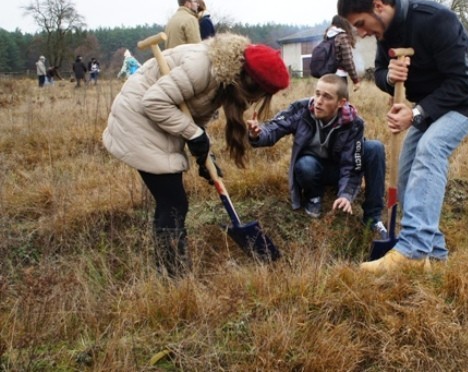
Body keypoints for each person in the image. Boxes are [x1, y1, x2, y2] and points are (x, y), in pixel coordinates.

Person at [337, 0, 468, 273]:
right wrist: (389, 77)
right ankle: (434, 257)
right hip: (429, 105)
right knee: (408, 169)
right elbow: (381, 72)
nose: (361, 33)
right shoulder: (387, 33)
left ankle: (412, 250)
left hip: (467, 100)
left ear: (378, 6)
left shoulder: (437, 20)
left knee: (431, 149)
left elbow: (463, 82)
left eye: (359, 24)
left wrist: (416, 113)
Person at [103, 33, 289, 277]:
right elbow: (154, 102)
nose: (255, 100)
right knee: (173, 201)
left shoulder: (226, 74)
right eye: (258, 93)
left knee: (172, 201)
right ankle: (172, 275)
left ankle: (171, 269)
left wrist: (204, 154)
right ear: (248, 80)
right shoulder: (204, 67)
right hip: (138, 120)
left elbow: (192, 112)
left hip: (157, 123)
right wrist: (193, 135)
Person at [246, 74, 388, 238]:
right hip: (312, 169)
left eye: (327, 97)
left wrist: (345, 195)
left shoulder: (354, 123)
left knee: (374, 148)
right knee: (305, 164)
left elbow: (351, 164)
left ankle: (373, 217)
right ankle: (314, 196)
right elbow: (275, 127)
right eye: (317, 93)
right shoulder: (302, 109)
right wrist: (257, 134)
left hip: (339, 169)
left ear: (341, 103)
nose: (318, 101)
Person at [326, 15, 361, 89]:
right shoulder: (342, 36)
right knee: (342, 100)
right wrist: (355, 80)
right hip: (339, 76)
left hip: (326, 76)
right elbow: (348, 60)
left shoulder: (327, 36)